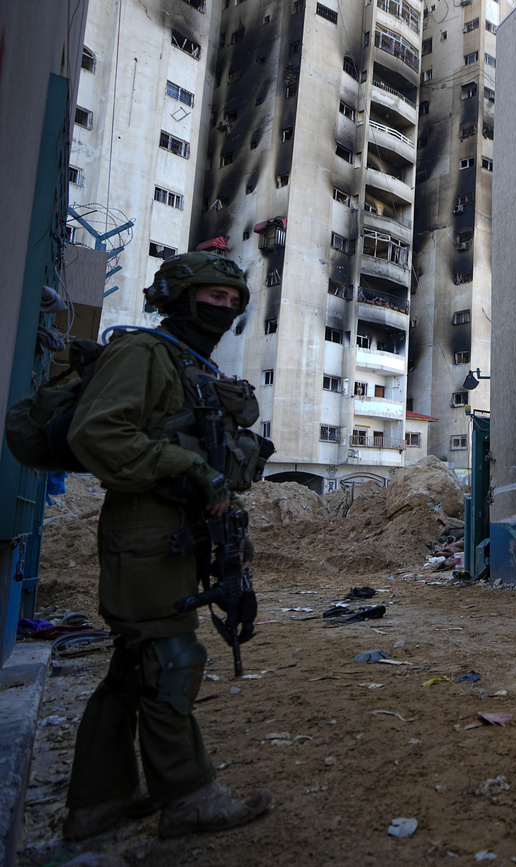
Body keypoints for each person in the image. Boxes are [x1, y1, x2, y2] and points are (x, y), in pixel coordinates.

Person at [61, 252, 273, 840]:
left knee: (136, 662)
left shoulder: (194, 367)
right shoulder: (143, 353)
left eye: (233, 302)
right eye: (212, 296)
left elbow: (212, 468)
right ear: (178, 297)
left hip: (177, 530)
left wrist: (235, 529)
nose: (223, 308)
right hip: (144, 528)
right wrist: (187, 468)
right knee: (171, 658)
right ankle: (188, 798)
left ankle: (98, 802)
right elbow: (97, 432)